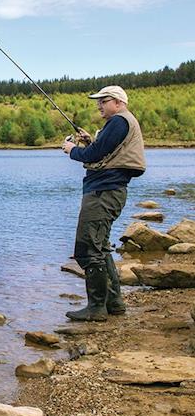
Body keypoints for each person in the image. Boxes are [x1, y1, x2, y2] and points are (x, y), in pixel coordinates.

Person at [62, 85, 146, 322]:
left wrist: (72, 150)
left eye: (103, 100)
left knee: (88, 248)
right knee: (100, 246)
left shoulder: (119, 121)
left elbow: (93, 156)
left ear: (118, 102)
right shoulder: (120, 123)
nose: (99, 104)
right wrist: (91, 141)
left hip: (103, 193)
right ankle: (114, 303)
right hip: (108, 191)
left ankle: (96, 308)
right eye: (98, 100)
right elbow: (102, 150)